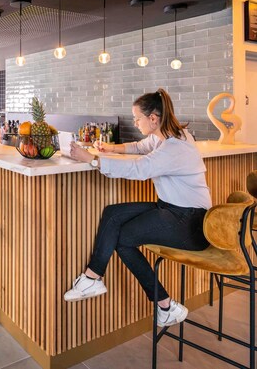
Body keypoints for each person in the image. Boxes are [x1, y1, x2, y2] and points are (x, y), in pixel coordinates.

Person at [63, 88, 211, 328]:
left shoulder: (175, 147)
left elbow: (139, 169)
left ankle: (165, 305)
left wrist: (91, 159)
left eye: (137, 118)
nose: (135, 123)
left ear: (153, 118)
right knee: (113, 213)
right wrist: (110, 148)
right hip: (172, 210)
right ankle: (93, 278)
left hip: (191, 223)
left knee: (123, 238)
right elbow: (141, 146)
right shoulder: (168, 136)